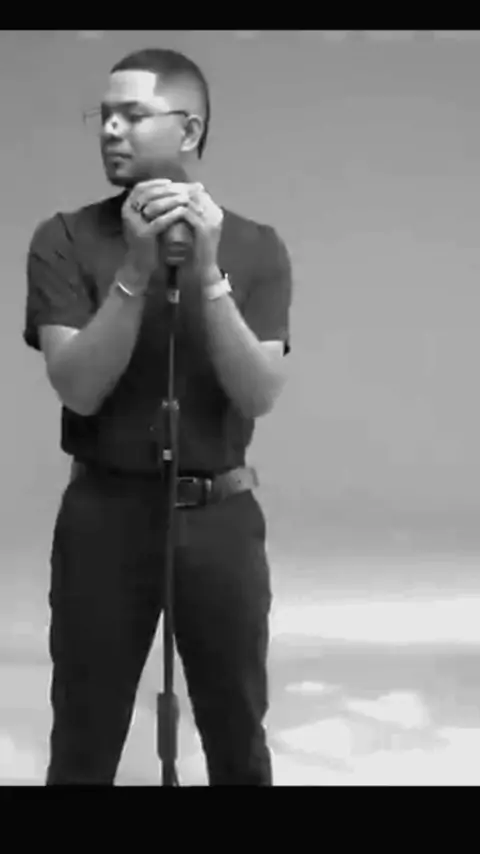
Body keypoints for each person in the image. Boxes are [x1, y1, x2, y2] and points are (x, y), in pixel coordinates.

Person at [23, 47, 293, 786]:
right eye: (104, 115)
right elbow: (79, 388)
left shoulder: (255, 247)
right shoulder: (63, 239)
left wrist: (207, 274)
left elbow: (259, 393)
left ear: (189, 129)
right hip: (104, 517)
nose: (110, 129)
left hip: (219, 519)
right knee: (84, 741)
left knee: (238, 738)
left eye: (132, 115)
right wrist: (135, 271)